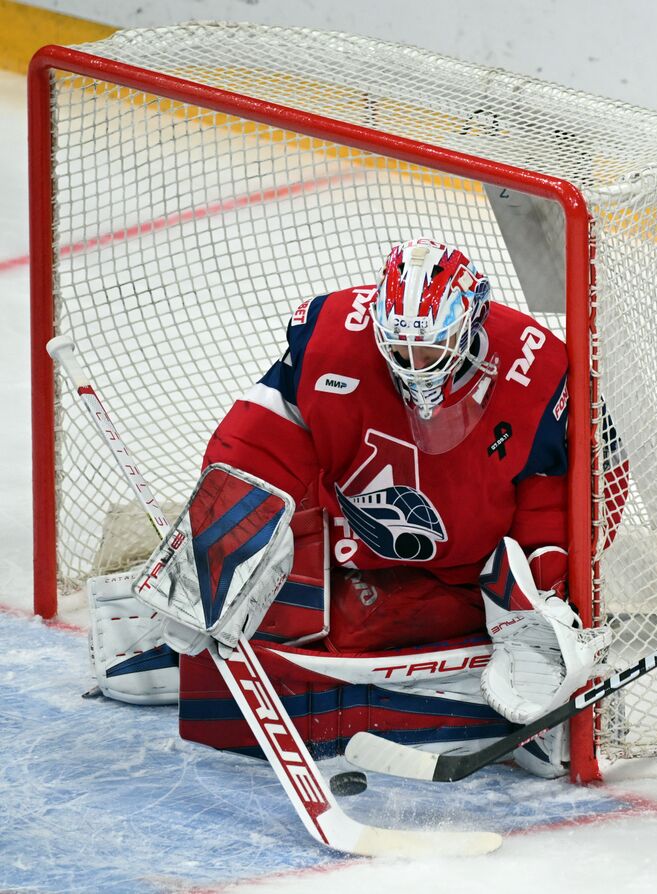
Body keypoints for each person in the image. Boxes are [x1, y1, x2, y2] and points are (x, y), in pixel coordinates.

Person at [175, 237, 618, 777]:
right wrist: (224, 535)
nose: (414, 366)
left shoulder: (538, 368)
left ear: (471, 326)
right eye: (401, 349)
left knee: (385, 629)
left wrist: (545, 594)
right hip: (352, 549)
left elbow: (590, 483)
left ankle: (511, 646)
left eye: (430, 350)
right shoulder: (334, 337)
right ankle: (192, 624)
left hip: (465, 577)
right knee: (281, 601)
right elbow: (263, 434)